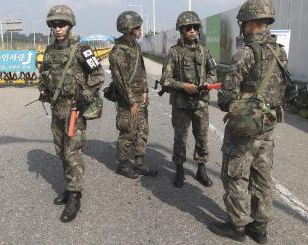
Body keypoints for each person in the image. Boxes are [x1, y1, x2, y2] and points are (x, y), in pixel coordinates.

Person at [208, 0, 289, 243]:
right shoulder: (279, 52)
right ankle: (260, 228)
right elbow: (279, 89)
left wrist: (230, 107)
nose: (242, 27)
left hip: (244, 127)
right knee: (262, 176)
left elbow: (228, 93)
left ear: (252, 23)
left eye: (243, 23)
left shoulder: (246, 53)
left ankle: (238, 226)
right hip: (268, 123)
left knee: (235, 174)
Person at [38, 5, 104, 222]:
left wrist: (86, 93)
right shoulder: (49, 51)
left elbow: (98, 74)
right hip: (57, 110)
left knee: (72, 153)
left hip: (74, 110)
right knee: (60, 151)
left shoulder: (82, 49)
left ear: (70, 25)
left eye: (62, 24)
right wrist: (43, 90)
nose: (57, 28)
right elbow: (44, 75)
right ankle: (69, 187)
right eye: (54, 24)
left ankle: (75, 195)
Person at [161, 11, 217, 188]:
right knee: (180, 138)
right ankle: (179, 170)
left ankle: (201, 170)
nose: (192, 30)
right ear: (181, 30)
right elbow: (165, 80)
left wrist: (208, 83)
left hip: (201, 103)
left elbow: (212, 73)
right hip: (181, 105)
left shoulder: (204, 51)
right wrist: (183, 86)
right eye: (188, 28)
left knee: (202, 137)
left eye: (195, 27)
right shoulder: (174, 53)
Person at [109, 11, 158, 179]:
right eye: (137, 26)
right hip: (127, 99)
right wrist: (131, 101)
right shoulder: (118, 51)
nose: (140, 29)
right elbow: (120, 80)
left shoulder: (135, 46)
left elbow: (141, 70)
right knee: (128, 131)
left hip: (139, 96)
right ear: (128, 28)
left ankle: (139, 162)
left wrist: (145, 90)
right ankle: (122, 164)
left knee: (142, 130)